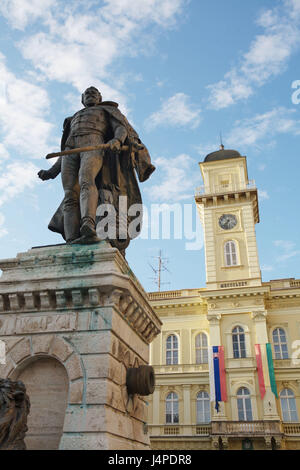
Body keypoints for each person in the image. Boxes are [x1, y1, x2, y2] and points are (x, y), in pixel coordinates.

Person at [38, 86, 155, 250]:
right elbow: (66, 148)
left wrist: (117, 140)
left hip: (94, 145)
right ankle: (72, 238)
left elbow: (120, 128)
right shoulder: (73, 118)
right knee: (70, 194)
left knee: (86, 181)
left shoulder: (107, 111)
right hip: (70, 151)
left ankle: (88, 225)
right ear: (82, 99)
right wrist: (51, 171)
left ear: (100, 98)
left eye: (94, 93)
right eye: (87, 93)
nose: (91, 94)